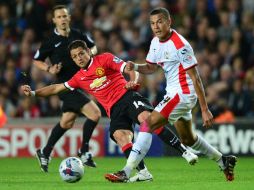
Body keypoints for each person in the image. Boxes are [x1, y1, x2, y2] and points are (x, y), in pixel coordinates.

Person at [22, 40, 198, 182]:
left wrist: (133, 81)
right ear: (73, 59)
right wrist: (34, 93)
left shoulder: (104, 59)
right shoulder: (78, 78)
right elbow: (55, 88)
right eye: (75, 57)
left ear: (88, 52)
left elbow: (129, 69)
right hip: (113, 110)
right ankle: (143, 172)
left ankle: (184, 151)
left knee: (147, 119)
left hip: (127, 97)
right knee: (121, 136)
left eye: (81, 53)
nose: (79, 58)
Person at [105, 7, 237, 182]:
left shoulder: (180, 45)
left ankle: (127, 171)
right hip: (175, 93)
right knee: (188, 138)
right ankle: (223, 160)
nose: (156, 26)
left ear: (169, 22)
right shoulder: (155, 42)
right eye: (152, 23)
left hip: (183, 93)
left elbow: (196, 78)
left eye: (160, 22)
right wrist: (136, 66)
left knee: (148, 123)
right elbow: (151, 67)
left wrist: (204, 109)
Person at [32, 5, 101, 172]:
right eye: (59, 17)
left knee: (67, 122)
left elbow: (94, 47)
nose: (62, 19)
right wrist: (49, 69)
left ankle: (45, 151)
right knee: (95, 114)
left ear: (69, 18)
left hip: (81, 83)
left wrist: (89, 54)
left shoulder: (78, 35)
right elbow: (37, 60)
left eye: (64, 16)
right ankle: (84, 151)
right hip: (65, 86)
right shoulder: (50, 41)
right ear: (54, 20)